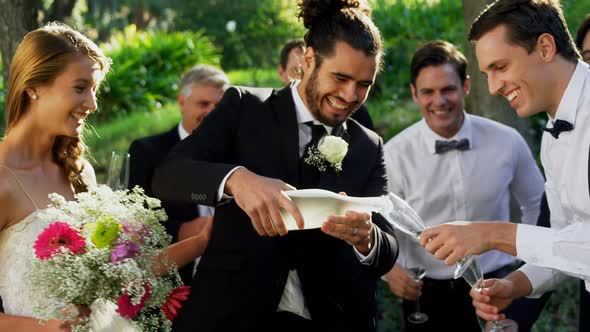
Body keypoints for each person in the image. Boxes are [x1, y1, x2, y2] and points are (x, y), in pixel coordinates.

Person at [152, 1, 398, 331]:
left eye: (363, 85)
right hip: (233, 316)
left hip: (330, 318)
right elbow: (169, 176)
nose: (350, 95)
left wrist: (366, 240)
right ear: (309, 59)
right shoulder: (245, 108)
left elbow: (388, 246)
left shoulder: (367, 144)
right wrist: (237, 180)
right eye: (340, 78)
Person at [0, 23, 210, 331]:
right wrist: (43, 327)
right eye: (80, 88)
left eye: (94, 90)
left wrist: (203, 240)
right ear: (35, 86)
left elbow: (125, 274)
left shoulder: (79, 171)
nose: (92, 104)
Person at [417, 1, 590, 330]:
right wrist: (517, 284)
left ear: (544, 47)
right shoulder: (553, 137)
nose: (494, 87)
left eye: (501, 67)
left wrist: (494, 234)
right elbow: (564, 240)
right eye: (486, 74)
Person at [382, 40, 544, 332]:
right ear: (414, 94)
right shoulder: (395, 153)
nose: (439, 101)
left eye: (448, 89)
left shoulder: (507, 141)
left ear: (465, 86)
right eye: (428, 92)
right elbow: (381, 221)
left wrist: (527, 266)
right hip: (426, 293)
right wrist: (390, 270)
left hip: (498, 285)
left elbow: (538, 204)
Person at [128, 64, 229, 284]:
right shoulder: (148, 152)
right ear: (182, 102)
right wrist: (187, 230)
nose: (212, 113)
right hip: (172, 280)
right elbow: (135, 221)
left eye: (219, 106)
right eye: (203, 104)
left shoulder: (239, 152)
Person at [278, 38, 375, 130]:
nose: (304, 75)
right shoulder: (267, 113)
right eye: (296, 71)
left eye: (364, 84)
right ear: (281, 73)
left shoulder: (359, 116)